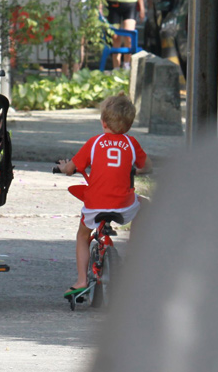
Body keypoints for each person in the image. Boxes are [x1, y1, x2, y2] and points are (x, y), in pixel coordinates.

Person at [55, 93, 152, 298]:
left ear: (103, 122)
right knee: (146, 206)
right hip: (125, 206)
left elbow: (72, 167)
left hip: (95, 206)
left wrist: (64, 167)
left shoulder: (94, 143)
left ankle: (81, 280)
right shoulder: (132, 144)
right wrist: (134, 168)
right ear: (129, 124)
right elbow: (146, 166)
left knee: (83, 236)